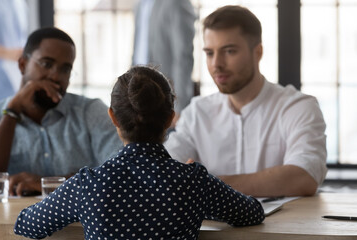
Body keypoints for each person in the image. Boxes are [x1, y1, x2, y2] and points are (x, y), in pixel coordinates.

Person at [13, 66, 265, 239]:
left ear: (113, 117)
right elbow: (252, 213)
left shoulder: (87, 186)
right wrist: (202, 204)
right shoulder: (194, 182)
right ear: (170, 119)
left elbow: (26, 225)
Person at [165, 5, 327, 197]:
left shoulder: (298, 107)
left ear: (258, 52)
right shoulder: (196, 113)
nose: (216, 64)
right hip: (211, 228)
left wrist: (204, 183)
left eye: (230, 51)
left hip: (283, 227)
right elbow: (165, 172)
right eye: (209, 53)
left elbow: (303, 176)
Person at [0, 27, 122, 196]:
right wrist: (12, 113)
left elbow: (122, 171)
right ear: (22, 65)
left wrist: (49, 184)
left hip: (79, 223)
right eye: (46, 64)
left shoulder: (90, 112)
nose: (55, 76)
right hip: (10, 222)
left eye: (65, 69)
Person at [132, 0, 196, 124]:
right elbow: (137, 49)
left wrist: (179, 107)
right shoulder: (140, 4)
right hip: (139, 92)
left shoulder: (177, 3)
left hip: (165, 96)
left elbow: (183, 56)